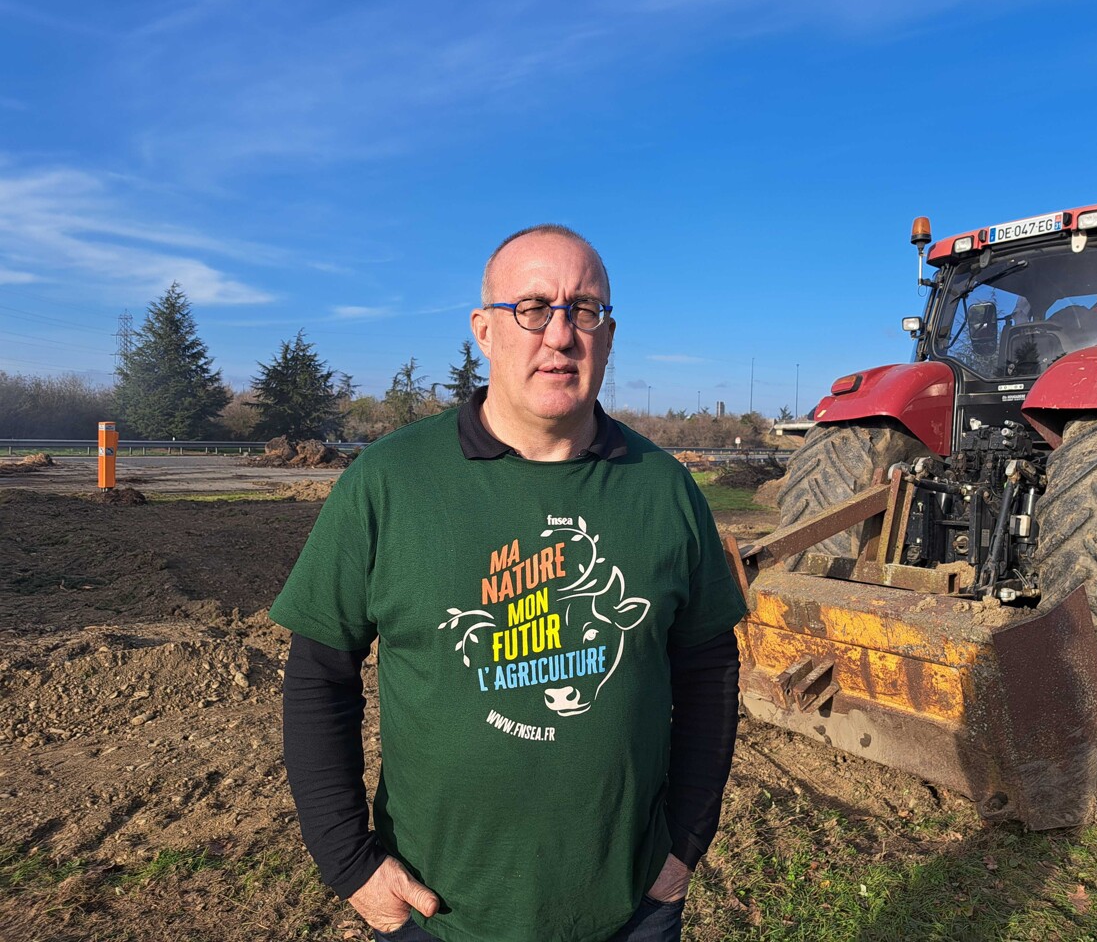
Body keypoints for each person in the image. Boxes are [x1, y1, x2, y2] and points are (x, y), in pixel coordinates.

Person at [272, 224, 746, 942]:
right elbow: (318, 675)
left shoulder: (663, 490)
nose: (560, 334)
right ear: (484, 330)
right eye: (533, 307)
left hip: (630, 910)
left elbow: (709, 669)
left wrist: (684, 846)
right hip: (439, 913)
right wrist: (349, 863)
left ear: (608, 337)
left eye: (584, 311)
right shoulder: (391, 481)